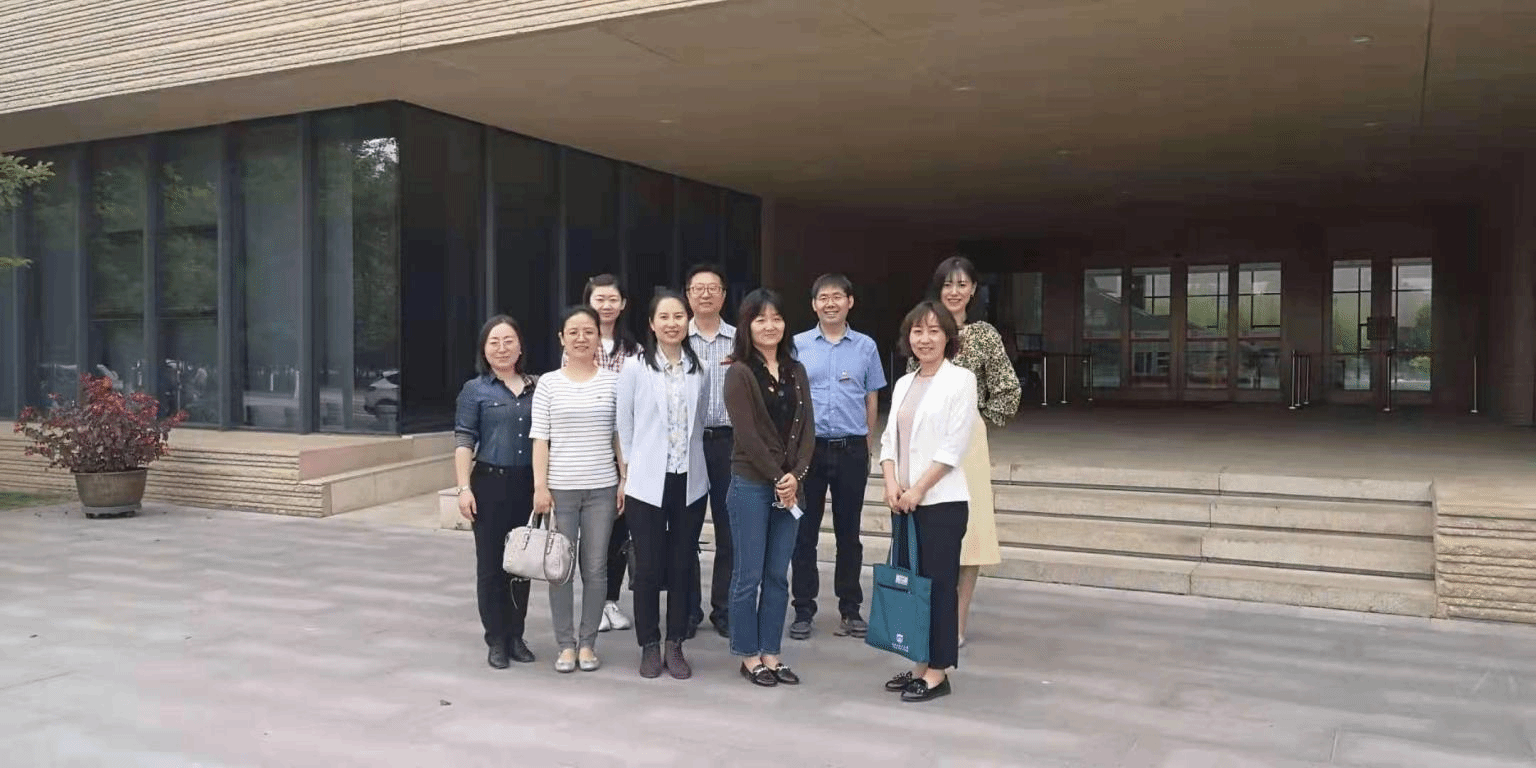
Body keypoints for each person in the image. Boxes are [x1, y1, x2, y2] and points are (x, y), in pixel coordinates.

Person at [918, 255, 1021, 646]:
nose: (954, 291)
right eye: (948, 284)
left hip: (968, 448)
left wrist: (977, 420)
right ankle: (927, 617)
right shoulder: (926, 329)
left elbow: (1008, 389)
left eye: (962, 284)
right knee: (931, 530)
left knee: (970, 534)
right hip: (927, 442)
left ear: (974, 289)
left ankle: (956, 624)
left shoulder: (983, 335)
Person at [879, 301, 978, 703]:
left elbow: (954, 446)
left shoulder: (961, 380)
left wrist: (918, 490)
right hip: (903, 502)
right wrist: (890, 483)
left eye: (934, 331)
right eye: (918, 331)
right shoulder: (905, 382)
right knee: (913, 586)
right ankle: (919, 663)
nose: (925, 339)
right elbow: (889, 439)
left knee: (938, 587)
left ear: (948, 337)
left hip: (940, 502)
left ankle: (938, 672)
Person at [723, 288, 815, 688]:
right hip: (751, 485)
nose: (769, 325)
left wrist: (797, 476)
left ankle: (771, 653)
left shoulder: (797, 370)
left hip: (791, 486)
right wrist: (779, 478)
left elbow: (808, 428)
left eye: (776, 318)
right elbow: (747, 435)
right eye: (760, 319)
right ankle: (749, 655)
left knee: (778, 575)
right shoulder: (739, 372)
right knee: (748, 575)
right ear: (747, 326)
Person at [616, 289, 709, 679]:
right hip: (646, 484)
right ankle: (649, 644)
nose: (672, 324)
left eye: (679, 317)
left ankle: (676, 643)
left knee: (683, 564)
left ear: (688, 322)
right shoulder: (635, 368)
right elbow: (624, 424)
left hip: (690, 481)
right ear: (652, 324)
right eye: (664, 317)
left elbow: (699, 424)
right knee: (649, 567)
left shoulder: (699, 369)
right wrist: (628, 473)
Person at [789, 274, 885, 641]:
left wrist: (867, 442)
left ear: (850, 302)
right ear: (814, 304)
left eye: (837, 297)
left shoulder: (866, 346)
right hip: (808, 452)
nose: (830, 303)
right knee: (804, 533)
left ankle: (850, 608)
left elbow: (871, 397)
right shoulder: (797, 345)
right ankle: (803, 609)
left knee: (849, 533)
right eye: (823, 298)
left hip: (851, 449)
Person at [531, 306, 624, 674]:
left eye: (588, 331)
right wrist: (540, 486)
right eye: (573, 332)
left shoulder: (613, 382)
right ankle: (565, 645)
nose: (581, 338)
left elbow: (620, 436)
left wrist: (625, 479)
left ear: (598, 337)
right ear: (562, 338)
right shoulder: (548, 383)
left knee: (596, 569)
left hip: (602, 489)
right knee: (560, 570)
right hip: (560, 492)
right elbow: (541, 438)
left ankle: (588, 644)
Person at [454, 315, 539, 670]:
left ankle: (516, 635)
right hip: (489, 484)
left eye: (508, 341)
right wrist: (463, 488)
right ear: (484, 350)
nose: (502, 348)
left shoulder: (538, 387)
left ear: (520, 347)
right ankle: (496, 640)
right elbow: (463, 439)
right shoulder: (475, 390)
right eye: (494, 342)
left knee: (521, 566)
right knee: (490, 567)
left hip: (527, 485)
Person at [580, 274, 641, 634]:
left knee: (619, 528)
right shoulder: (579, 342)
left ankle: (610, 601)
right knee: (593, 532)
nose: (606, 305)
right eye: (599, 299)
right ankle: (593, 601)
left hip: (625, 446)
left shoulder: (635, 350)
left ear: (623, 305)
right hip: (589, 446)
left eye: (612, 299)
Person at [685, 264, 736, 638]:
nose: (705, 294)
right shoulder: (675, 338)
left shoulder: (739, 341)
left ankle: (725, 609)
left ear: (723, 295)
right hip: (687, 443)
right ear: (688, 295)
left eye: (712, 288)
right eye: (698, 288)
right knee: (685, 529)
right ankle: (688, 610)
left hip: (730, 444)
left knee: (729, 530)